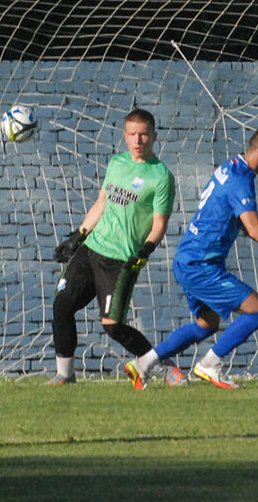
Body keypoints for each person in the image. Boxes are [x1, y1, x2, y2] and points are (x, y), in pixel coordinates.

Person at [125, 126, 258, 390]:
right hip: (201, 265)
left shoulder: (231, 167)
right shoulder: (240, 180)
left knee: (206, 325)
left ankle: (143, 364)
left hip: (187, 259)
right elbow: (253, 226)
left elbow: (232, 217)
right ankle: (209, 365)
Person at [49, 109, 175, 386]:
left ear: (154, 136)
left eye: (143, 134)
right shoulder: (117, 163)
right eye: (132, 134)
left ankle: (164, 365)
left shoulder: (161, 176)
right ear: (125, 136)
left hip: (121, 260)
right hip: (91, 250)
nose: (138, 139)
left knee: (113, 327)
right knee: (62, 306)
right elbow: (101, 203)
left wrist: (146, 250)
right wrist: (78, 236)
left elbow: (159, 224)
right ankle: (65, 376)